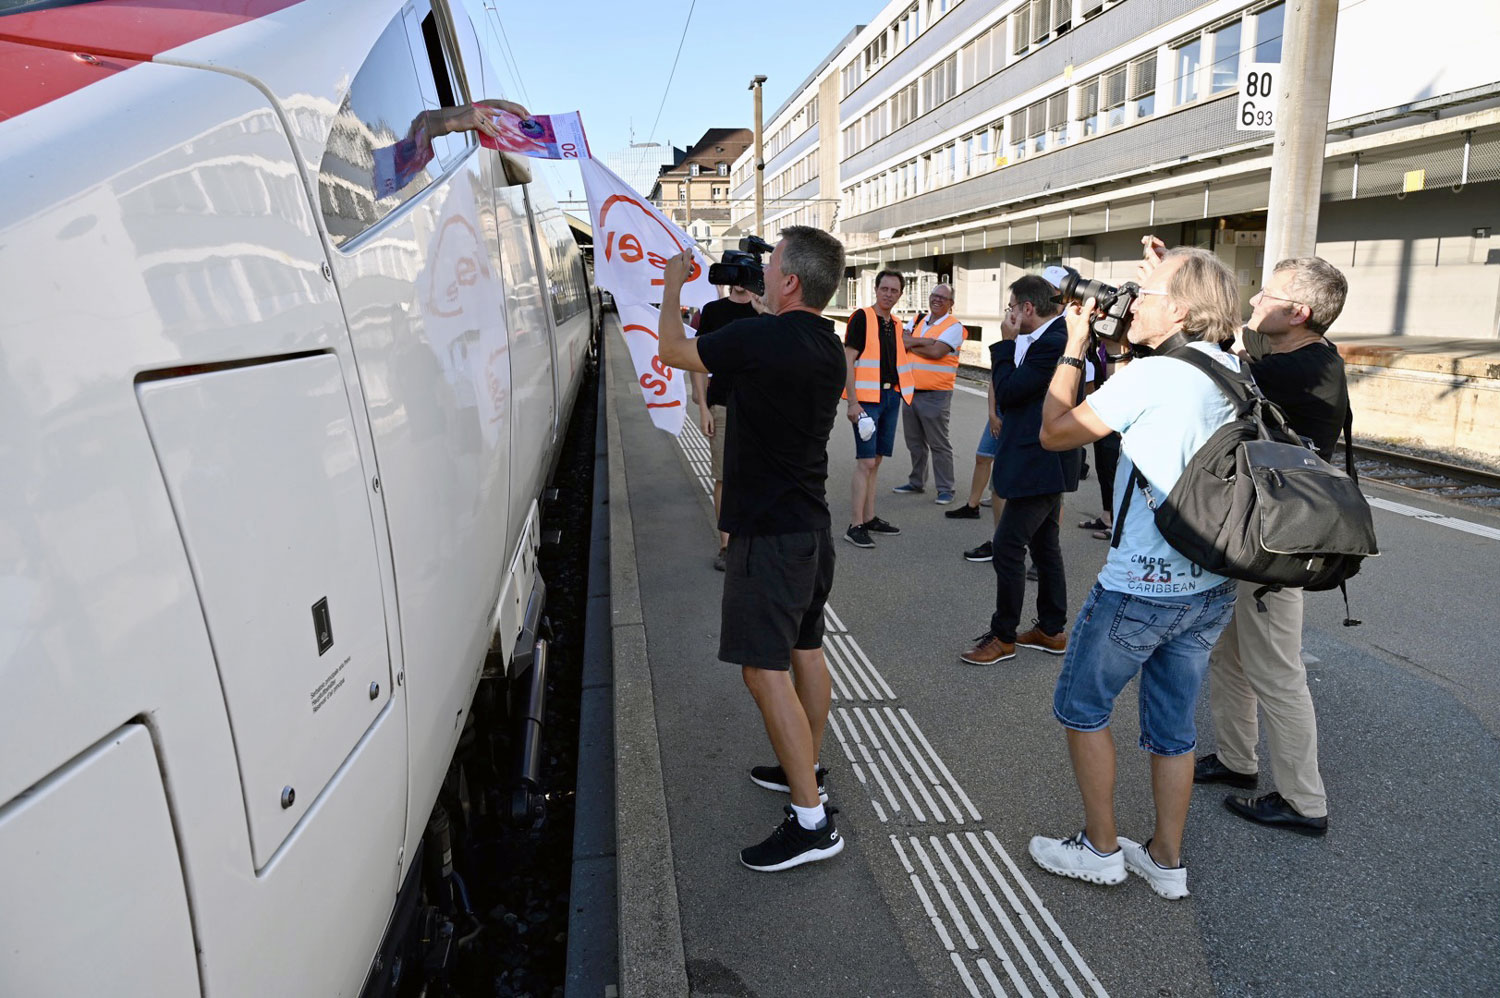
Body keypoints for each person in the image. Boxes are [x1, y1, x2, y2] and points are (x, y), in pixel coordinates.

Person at [1024, 246, 1245, 902]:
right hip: (1209, 585)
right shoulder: (1234, 369)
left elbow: (1057, 431)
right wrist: (1119, 348)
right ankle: (1165, 861)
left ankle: (1098, 849)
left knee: (1083, 709)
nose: (1132, 299)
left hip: (1139, 589)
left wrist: (1072, 346)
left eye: (1145, 292)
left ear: (1178, 309)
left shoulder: (1155, 378)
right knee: (1174, 728)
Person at [656, 226, 849, 872]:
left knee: (762, 670)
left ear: (790, 281)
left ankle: (811, 821)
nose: (761, 273)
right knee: (806, 651)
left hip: (768, 535)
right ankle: (808, 768)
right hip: (810, 529)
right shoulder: (826, 342)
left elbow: (673, 351)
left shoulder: (762, 338)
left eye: (773, 267)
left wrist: (672, 286)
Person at [1195, 252, 1351, 837]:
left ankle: (1302, 801)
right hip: (1259, 529)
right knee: (1232, 654)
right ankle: (1238, 760)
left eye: (1268, 294)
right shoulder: (1297, 354)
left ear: (1300, 312)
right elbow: (1241, 341)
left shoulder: (1300, 370)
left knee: (1278, 671)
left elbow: (1216, 356)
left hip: (1279, 540)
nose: (1255, 300)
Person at [959, 276, 1081, 666]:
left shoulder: (1052, 342)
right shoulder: (1056, 335)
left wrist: (1006, 344)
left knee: (1009, 546)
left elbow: (1010, 393)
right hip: (1043, 458)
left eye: (1012, 306)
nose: (1009, 313)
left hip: (1039, 460)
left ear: (1027, 308)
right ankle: (1050, 628)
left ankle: (1003, 636)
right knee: (1045, 546)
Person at [842, 270, 914, 548]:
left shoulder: (895, 323)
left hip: (890, 398)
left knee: (877, 461)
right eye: (884, 288)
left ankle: (869, 517)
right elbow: (848, 359)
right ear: (875, 289)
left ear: (900, 294)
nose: (888, 294)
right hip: (866, 400)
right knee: (866, 461)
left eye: (894, 290)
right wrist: (852, 401)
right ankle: (855, 524)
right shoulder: (862, 317)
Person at [689, 285, 759, 571]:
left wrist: (765, 311)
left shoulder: (764, 310)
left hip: (760, 407)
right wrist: (704, 407)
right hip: (722, 405)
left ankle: (754, 539)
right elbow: (698, 359)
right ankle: (727, 545)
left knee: (757, 475)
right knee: (723, 476)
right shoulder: (714, 311)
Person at [891, 284, 966, 504]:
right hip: (910, 391)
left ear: (951, 304)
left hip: (936, 394)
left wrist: (911, 344)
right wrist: (924, 341)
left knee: (938, 443)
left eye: (943, 298)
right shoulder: (917, 320)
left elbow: (936, 352)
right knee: (914, 442)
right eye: (935, 295)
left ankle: (946, 489)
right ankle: (916, 482)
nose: (937, 300)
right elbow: (899, 343)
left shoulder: (954, 327)